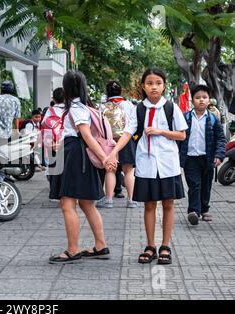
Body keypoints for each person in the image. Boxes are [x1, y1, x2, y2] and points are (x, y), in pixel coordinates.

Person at [105, 68, 188, 265]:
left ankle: (165, 245)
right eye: (150, 83)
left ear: (164, 85)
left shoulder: (171, 107)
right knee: (149, 205)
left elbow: (182, 134)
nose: (154, 87)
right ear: (143, 86)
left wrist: (160, 131)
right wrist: (113, 152)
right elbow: (127, 133)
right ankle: (150, 245)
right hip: (147, 163)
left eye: (158, 83)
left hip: (168, 164)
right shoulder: (138, 109)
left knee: (168, 204)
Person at [48, 71, 109, 264]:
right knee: (86, 203)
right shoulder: (84, 106)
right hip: (76, 153)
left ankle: (73, 249)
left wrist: (105, 158)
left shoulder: (75, 108)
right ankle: (100, 245)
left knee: (68, 204)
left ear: (66, 88)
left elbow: (86, 135)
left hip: (75, 156)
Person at [179, 85, 226, 225]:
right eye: (197, 97)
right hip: (190, 158)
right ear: (192, 100)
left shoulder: (212, 119)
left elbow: (221, 138)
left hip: (208, 158)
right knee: (195, 184)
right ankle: (194, 211)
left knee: (206, 185)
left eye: (204, 97)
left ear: (208, 100)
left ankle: (204, 209)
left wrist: (219, 155)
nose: (201, 100)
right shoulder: (185, 117)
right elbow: (178, 138)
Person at [101, 80, 137, 208]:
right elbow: (134, 124)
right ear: (120, 91)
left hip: (109, 142)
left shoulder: (102, 107)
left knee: (110, 170)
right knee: (129, 171)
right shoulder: (129, 105)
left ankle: (109, 200)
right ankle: (131, 200)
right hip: (126, 141)